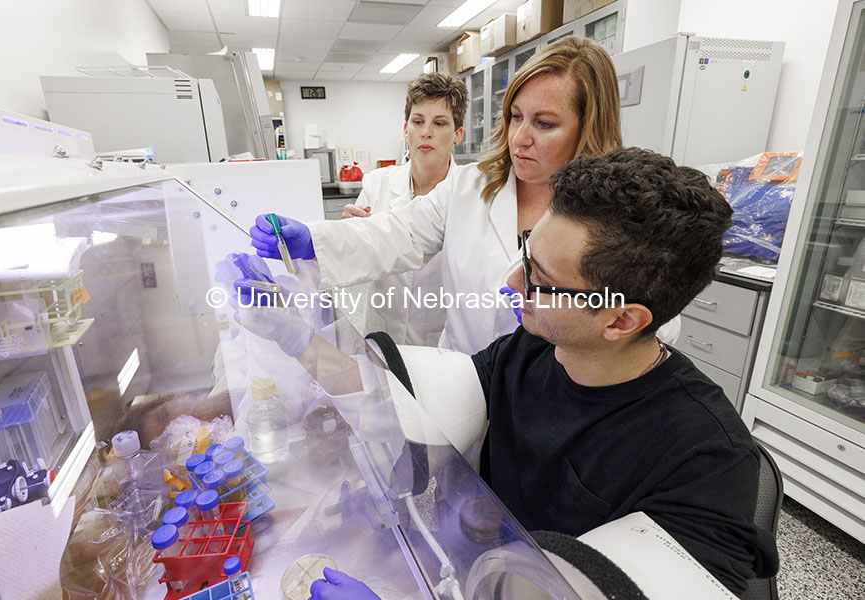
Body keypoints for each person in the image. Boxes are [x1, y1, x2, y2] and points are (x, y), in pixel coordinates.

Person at [238, 149, 778, 599]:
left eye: (539, 276)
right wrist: (293, 337)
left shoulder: (710, 468)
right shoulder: (530, 351)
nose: (511, 280)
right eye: (525, 252)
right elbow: (407, 404)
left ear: (620, 319)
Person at [250, 37, 684, 356]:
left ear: (588, 125)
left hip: (555, 396)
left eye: (545, 124)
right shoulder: (472, 185)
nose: (520, 138)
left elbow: (656, 326)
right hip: (460, 376)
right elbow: (400, 232)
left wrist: (576, 326)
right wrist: (315, 239)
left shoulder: (621, 214)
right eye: (515, 117)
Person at [340, 73, 467, 346]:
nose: (426, 132)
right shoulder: (378, 184)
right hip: (382, 333)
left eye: (440, 123)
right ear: (405, 129)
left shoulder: (469, 195)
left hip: (440, 338)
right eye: (418, 121)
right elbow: (360, 263)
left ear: (457, 135)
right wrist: (349, 234)